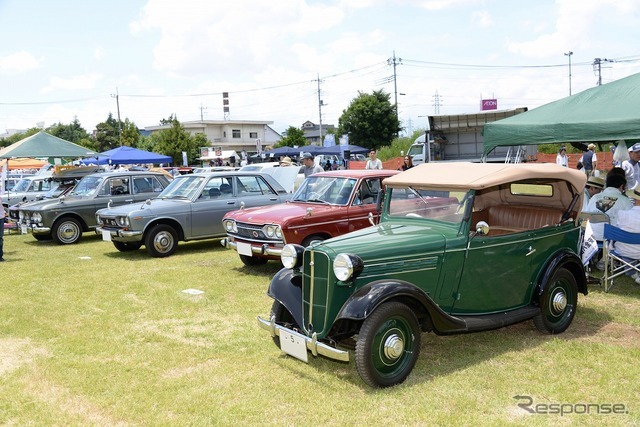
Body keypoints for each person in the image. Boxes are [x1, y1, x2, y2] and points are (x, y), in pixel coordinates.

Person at [586, 173, 632, 242]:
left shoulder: (594, 198)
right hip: (612, 240)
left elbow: (586, 216)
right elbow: (630, 223)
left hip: (592, 238)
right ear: (622, 186)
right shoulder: (625, 201)